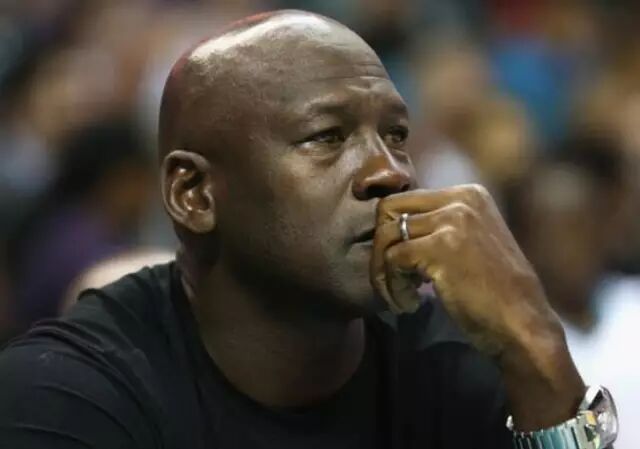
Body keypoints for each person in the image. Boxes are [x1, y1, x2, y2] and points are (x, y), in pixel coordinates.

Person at [0, 10, 616, 449]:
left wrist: (535, 347)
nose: (391, 172)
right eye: (328, 137)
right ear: (195, 194)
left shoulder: (448, 361)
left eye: (397, 135)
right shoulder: (67, 394)